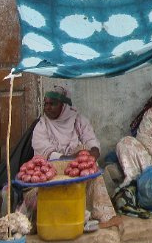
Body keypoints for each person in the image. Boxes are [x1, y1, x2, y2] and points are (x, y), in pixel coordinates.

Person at [27, 86, 118, 227]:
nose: (48, 107)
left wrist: (92, 153)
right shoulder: (41, 125)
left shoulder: (78, 120)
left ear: (64, 106)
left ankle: (103, 215)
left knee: (85, 151)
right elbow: (47, 154)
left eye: (53, 104)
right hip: (51, 172)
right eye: (46, 104)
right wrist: (71, 158)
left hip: (77, 172)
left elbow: (91, 140)